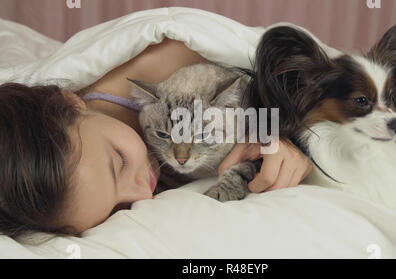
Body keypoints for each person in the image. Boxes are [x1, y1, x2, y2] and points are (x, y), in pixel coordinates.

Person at [0, 38, 312, 237]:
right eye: (116, 210)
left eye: (119, 161)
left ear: (71, 102)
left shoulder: (171, 59)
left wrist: (277, 134)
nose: (143, 196)